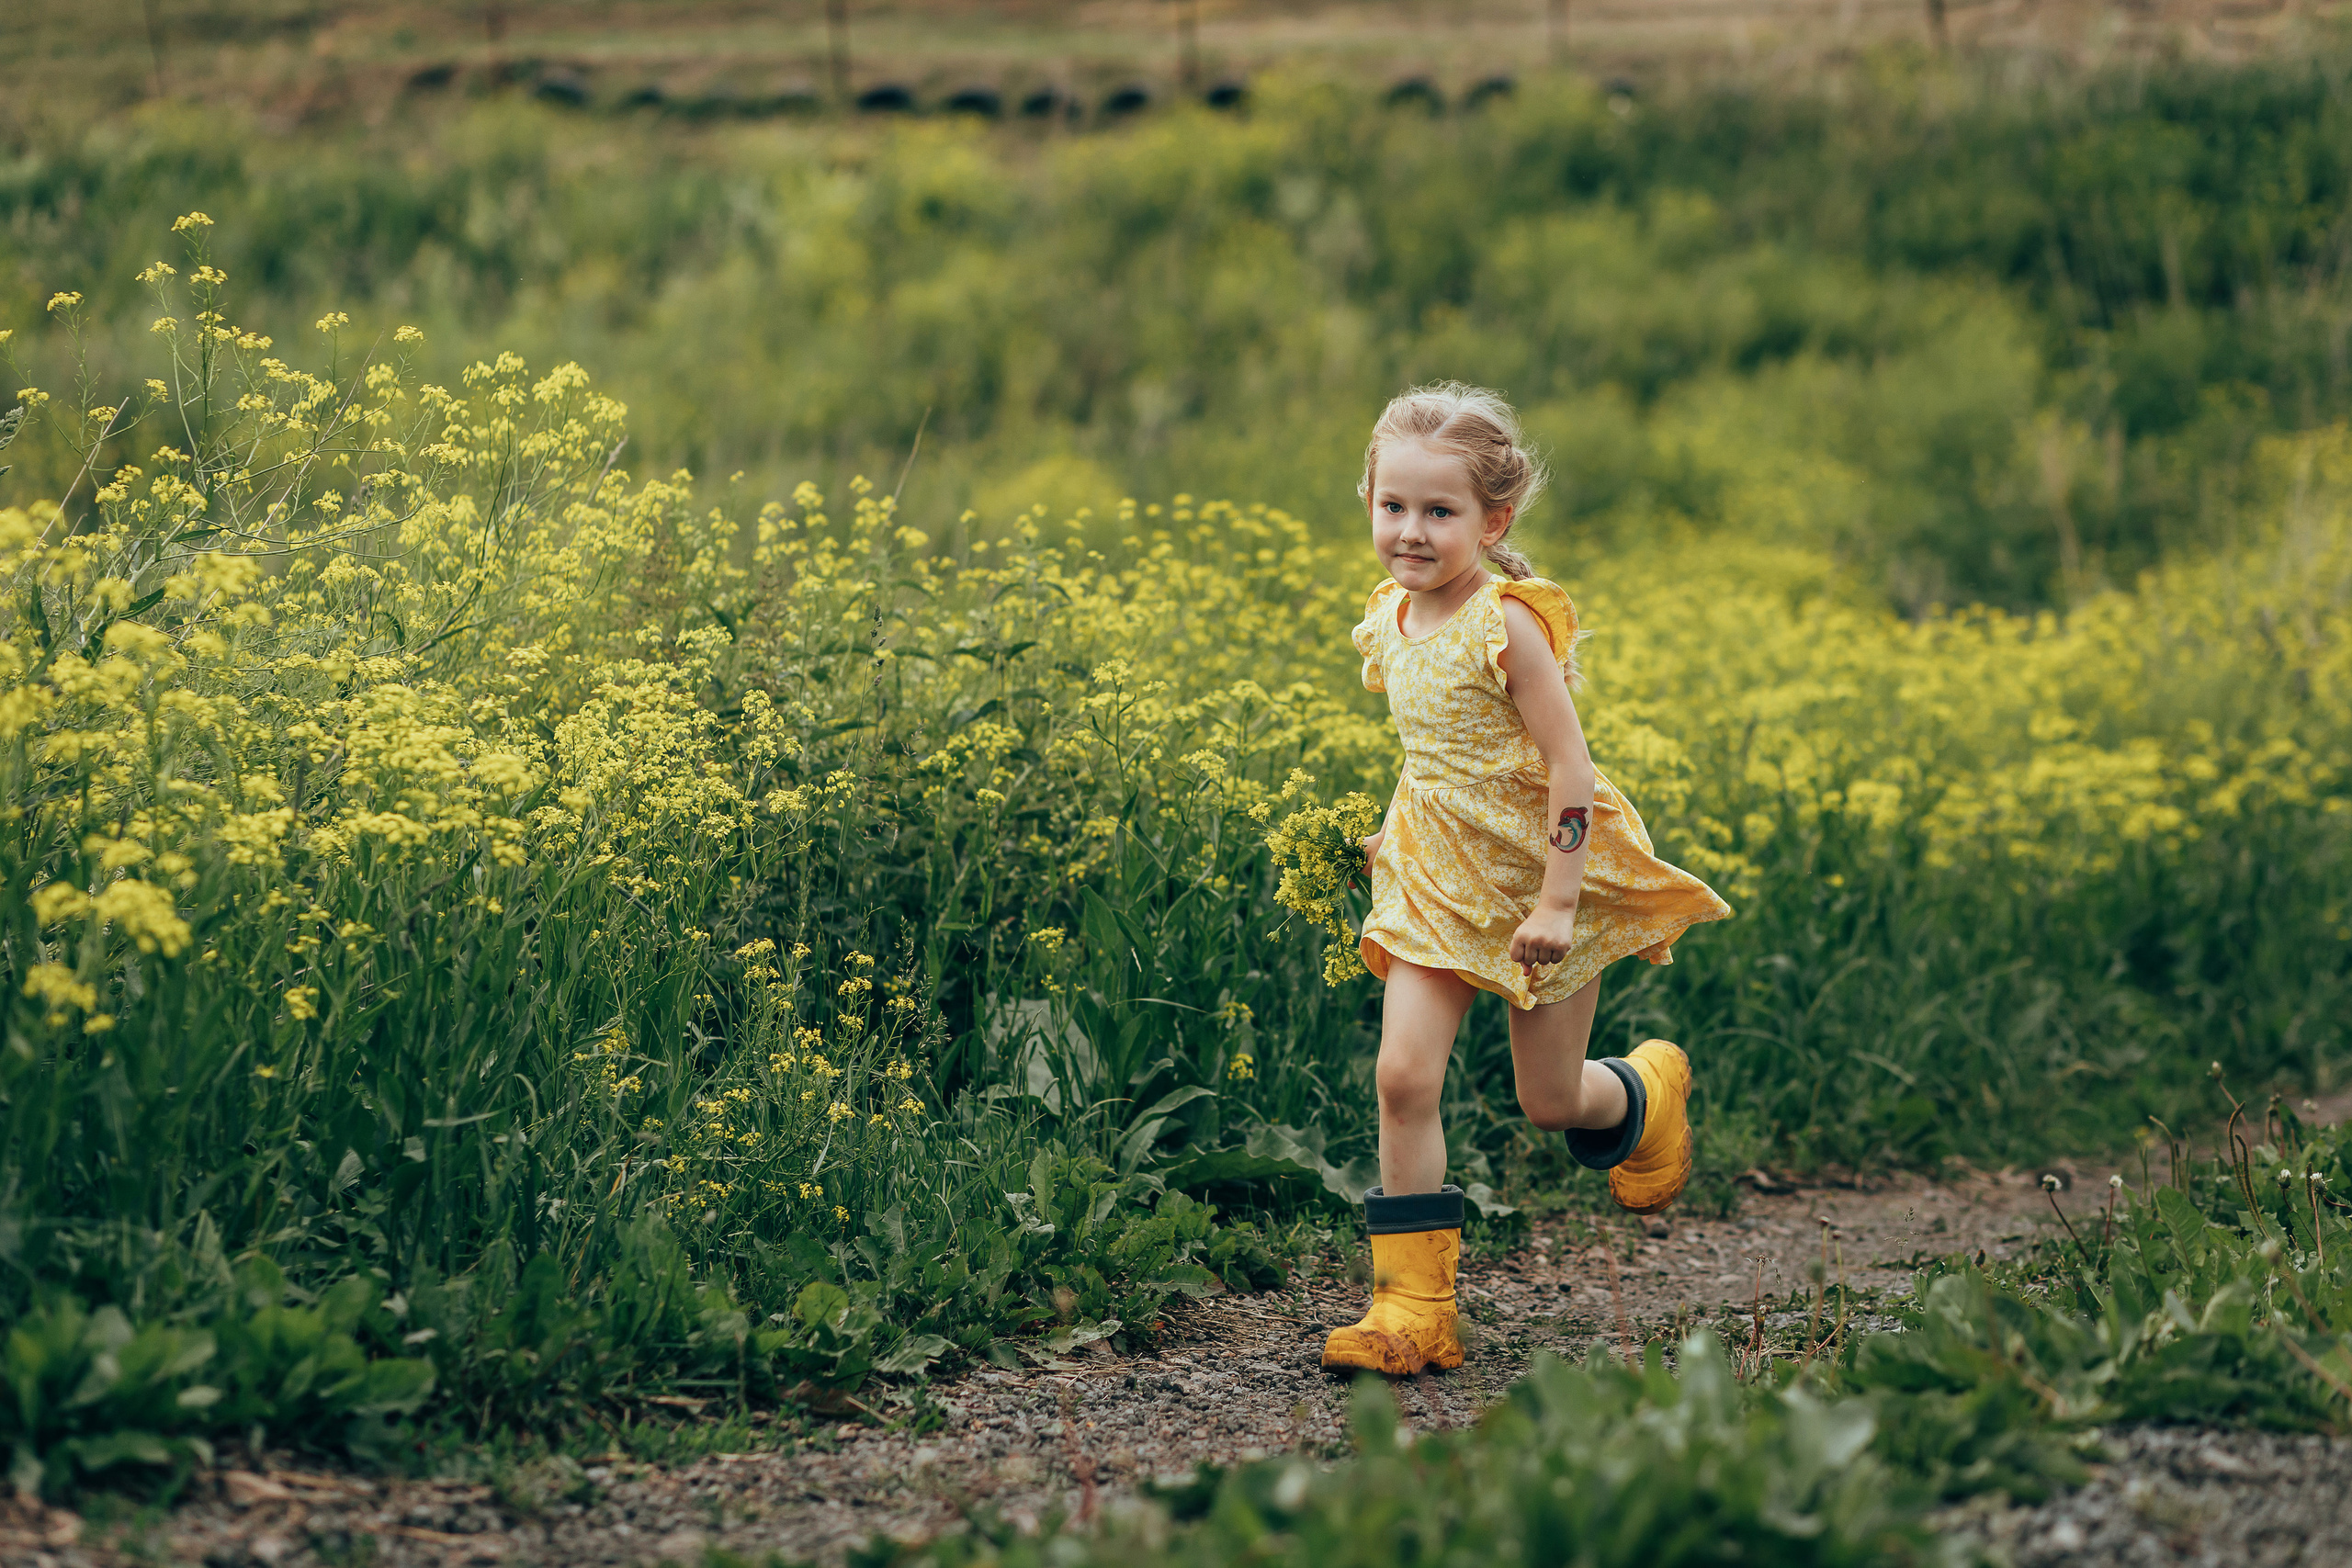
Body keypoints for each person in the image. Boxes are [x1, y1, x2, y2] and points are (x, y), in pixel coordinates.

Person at [1322, 383, 1733, 1377]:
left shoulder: (1506, 625)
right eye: (1392, 507)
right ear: (1369, 501)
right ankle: (1411, 1310)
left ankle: (1643, 1094)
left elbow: (1569, 766)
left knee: (1548, 1101)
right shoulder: (1390, 618)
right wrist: (1387, 836)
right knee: (1402, 1076)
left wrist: (1555, 900)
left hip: (1537, 883)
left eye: (1438, 512)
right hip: (1433, 882)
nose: (1409, 532)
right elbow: (1429, 752)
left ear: (1491, 521)